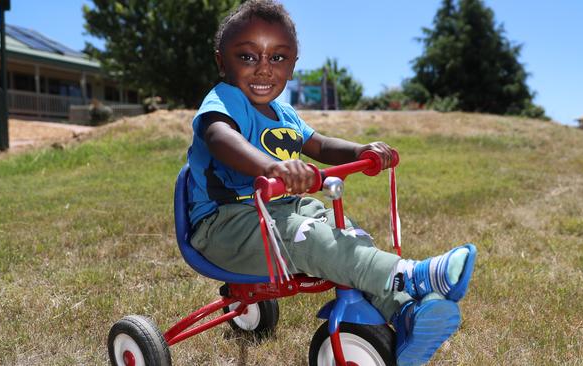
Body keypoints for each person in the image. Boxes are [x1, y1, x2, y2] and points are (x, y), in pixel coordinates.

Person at [186, 1, 477, 364]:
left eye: (278, 58)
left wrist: (361, 152)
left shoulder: (284, 113)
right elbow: (220, 138)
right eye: (247, 57)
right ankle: (412, 277)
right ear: (221, 61)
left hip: (280, 211)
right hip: (225, 223)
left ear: (293, 65)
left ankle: (406, 314)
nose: (263, 68)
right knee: (311, 238)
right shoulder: (224, 100)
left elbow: (319, 145)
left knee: (347, 235)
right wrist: (273, 168)